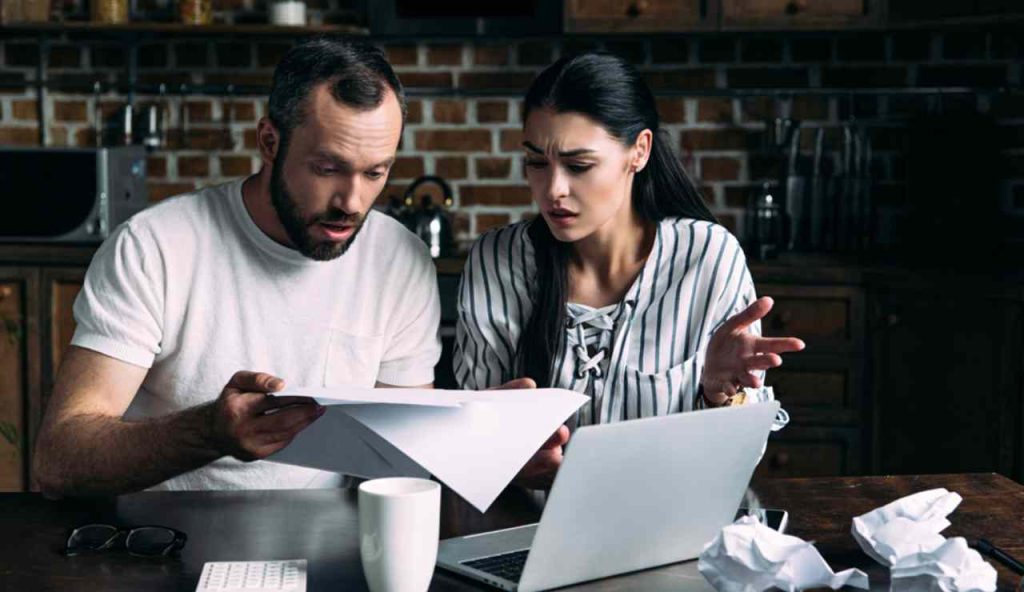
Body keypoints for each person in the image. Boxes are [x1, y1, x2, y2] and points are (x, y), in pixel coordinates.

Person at [32, 38, 442, 496]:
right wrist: (209, 432)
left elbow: (401, 461)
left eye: (374, 173)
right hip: (162, 546)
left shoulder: (400, 259)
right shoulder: (154, 247)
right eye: (327, 168)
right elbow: (59, 461)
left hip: (330, 543)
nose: (351, 202)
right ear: (269, 142)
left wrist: (489, 435)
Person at [454, 52, 805, 489]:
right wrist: (495, 451)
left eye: (579, 165)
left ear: (638, 151)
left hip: (668, 532)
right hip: (524, 537)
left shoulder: (708, 258)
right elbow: (471, 454)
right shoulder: (496, 261)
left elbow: (735, 466)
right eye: (537, 163)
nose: (553, 189)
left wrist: (719, 394)